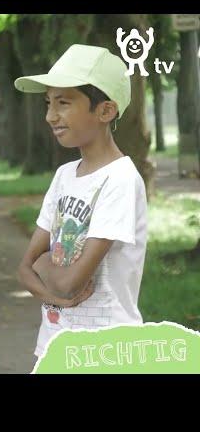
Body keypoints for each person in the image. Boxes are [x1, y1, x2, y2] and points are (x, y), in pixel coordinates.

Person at [14, 44, 147, 360]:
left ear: (105, 111)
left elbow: (70, 282)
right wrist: (57, 296)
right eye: (48, 103)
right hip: (55, 347)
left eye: (63, 103)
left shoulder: (120, 180)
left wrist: (45, 266)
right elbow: (23, 268)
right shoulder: (64, 176)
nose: (50, 116)